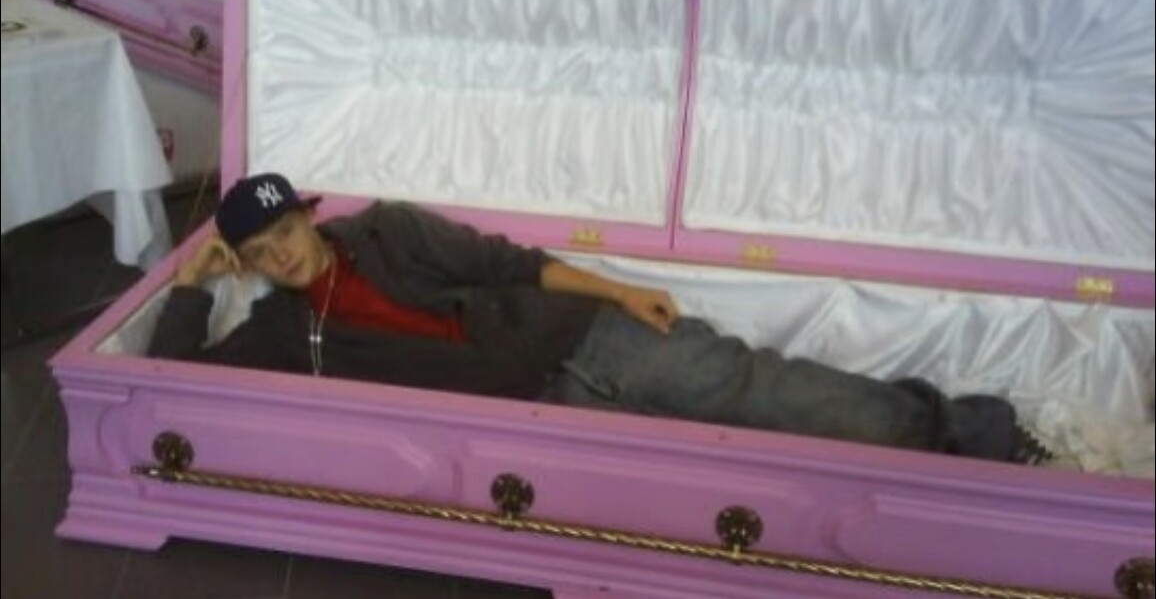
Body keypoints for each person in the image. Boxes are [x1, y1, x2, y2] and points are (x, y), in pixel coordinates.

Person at [149, 173, 1052, 464]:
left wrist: (617, 293)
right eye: (259, 251)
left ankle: (970, 432)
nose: (280, 255)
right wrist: (191, 282)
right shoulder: (280, 335)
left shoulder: (387, 230)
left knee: (758, 390)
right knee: (713, 465)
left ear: (307, 218)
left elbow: (510, 262)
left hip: (581, 335)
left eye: (284, 231)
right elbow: (170, 384)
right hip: (543, 416)